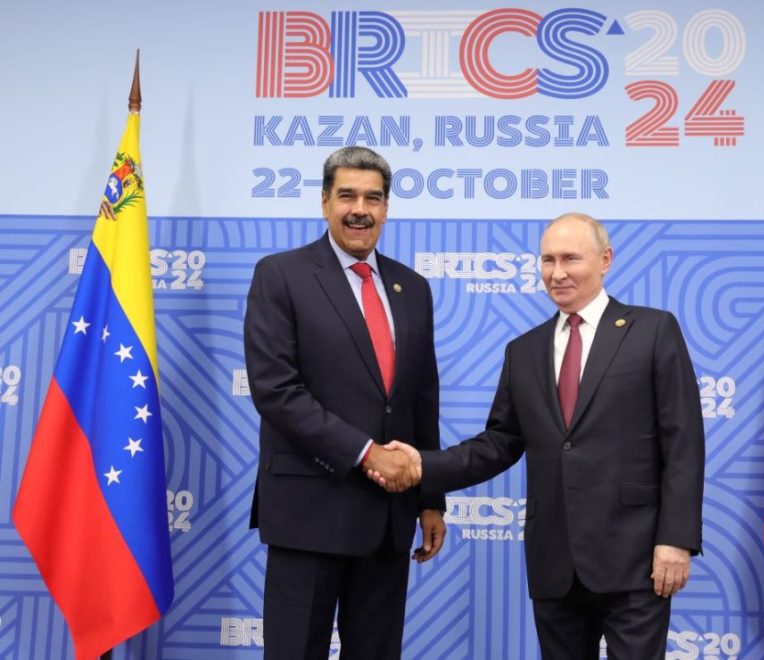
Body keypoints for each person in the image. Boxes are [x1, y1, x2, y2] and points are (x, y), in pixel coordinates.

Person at [370, 213, 705, 659]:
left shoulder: (652, 330)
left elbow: (683, 441)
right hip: (554, 564)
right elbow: (499, 444)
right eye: (547, 260)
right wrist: (422, 466)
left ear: (605, 260)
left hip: (637, 559)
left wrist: (676, 539)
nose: (557, 272)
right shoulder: (523, 350)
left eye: (571, 258)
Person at [244, 146, 446, 659]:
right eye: (348, 195)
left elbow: (422, 397)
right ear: (324, 202)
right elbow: (275, 389)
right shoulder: (281, 275)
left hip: (388, 518)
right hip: (309, 511)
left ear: (386, 207)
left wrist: (429, 499)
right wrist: (366, 452)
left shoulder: (412, 287)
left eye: (373, 198)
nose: (361, 209)